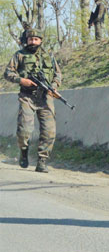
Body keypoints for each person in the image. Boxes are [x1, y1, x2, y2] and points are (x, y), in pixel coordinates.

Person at [3, 28, 62, 173]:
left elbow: (58, 74)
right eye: (30, 39)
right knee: (24, 130)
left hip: (45, 97)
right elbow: (8, 72)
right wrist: (21, 80)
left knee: (49, 131)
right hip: (27, 96)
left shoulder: (49, 56)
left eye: (36, 39)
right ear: (26, 41)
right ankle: (23, 151)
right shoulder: (19, 55)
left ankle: (42, 161)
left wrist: (53, 86)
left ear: (41, 40)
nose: (33, 42)